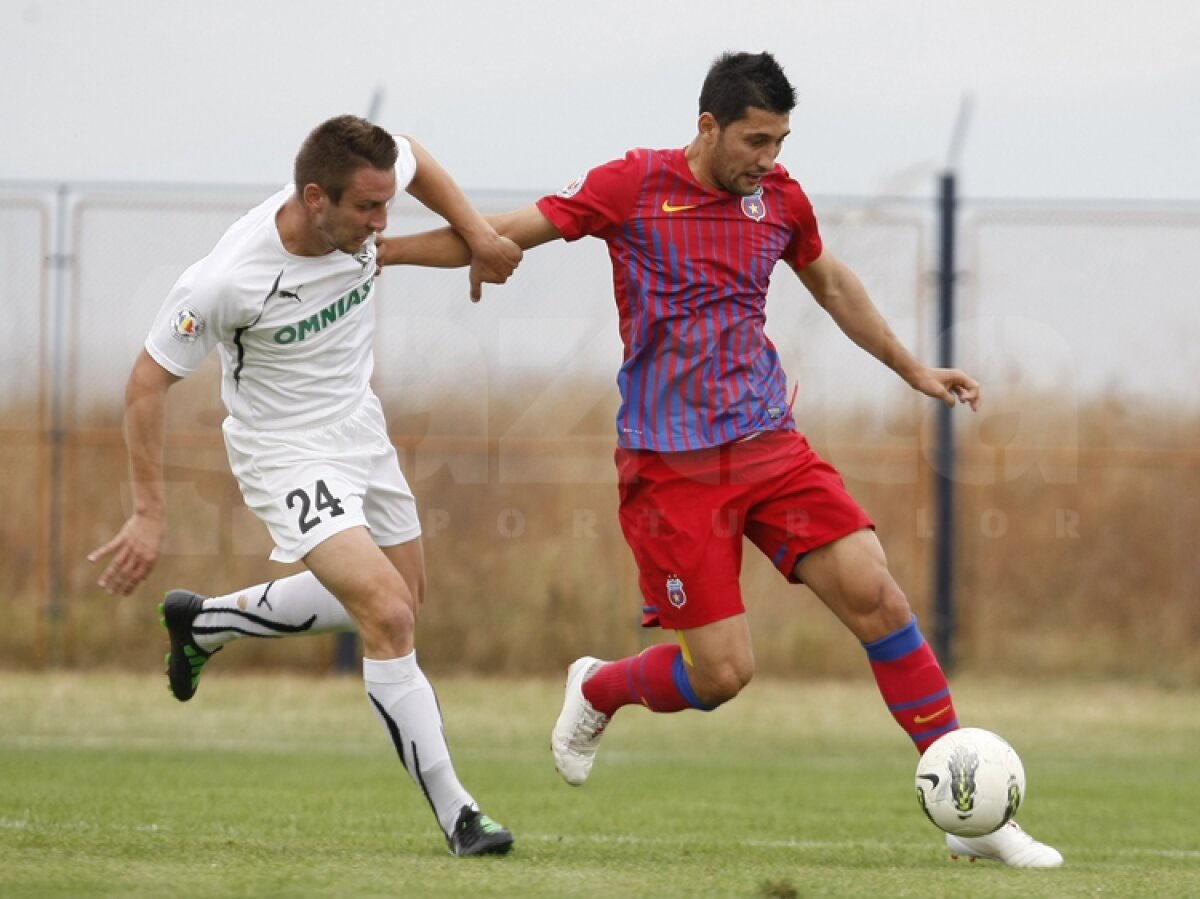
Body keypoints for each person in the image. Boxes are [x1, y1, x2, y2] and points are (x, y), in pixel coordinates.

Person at [379, 52, 1063, 868]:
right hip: (670, 470)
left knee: (876, 593)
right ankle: (601, 685)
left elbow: (834, 285)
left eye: (778, 141)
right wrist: (375, 253)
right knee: (723, 675)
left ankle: (968, 813)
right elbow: (500, 236)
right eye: (754, 140)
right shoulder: (631, 185)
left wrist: (915, 368)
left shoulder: (779, 201)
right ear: (708, 126)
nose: (768, 159)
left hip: (770, 445)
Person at [88, 115, 518, 858]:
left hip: (361, 429)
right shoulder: (227, 281)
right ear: (315, 198)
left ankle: (207, 624)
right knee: (387, 613)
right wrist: (150, 513)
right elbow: (145, 381)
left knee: (404, 597)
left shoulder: (366, 207)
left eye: (389, 206)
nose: (383, 223)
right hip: (284, 452)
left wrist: (477, 232)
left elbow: (414, 152)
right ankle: (460, 814)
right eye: (368, 211)